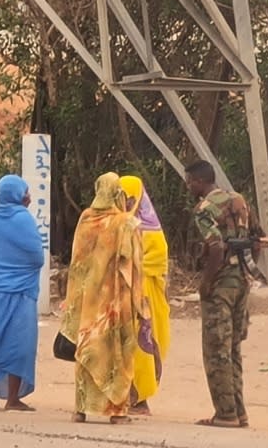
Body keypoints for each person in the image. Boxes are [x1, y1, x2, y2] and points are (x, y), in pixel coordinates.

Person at [59, 172, 146, 425]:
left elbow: (77, 262)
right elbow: (132, 264)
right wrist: (139, 301)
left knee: (87, 350)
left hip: (87, 301)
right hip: (115, 303)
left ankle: (80, 410)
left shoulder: (85, 219)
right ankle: (116, 411)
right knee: (117, 352)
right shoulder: (125, 224)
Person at [184, 159, 253, 428]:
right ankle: (239, 410)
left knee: (216, 349)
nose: (188, 186)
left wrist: (206, 283)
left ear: (200, 182)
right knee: (233, 346)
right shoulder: (238, 200)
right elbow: (256, 240)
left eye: (190, 182)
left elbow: (214, 248)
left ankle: (225, 413)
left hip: (222, 282)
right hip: (242, 280)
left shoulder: (204, 209)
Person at [0, 174, 44, 412]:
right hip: (20, 292)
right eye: (25, 192)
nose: (29, 196)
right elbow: (37, 257)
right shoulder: (23, 219)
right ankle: (13, 399)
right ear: (17, 194)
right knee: (19, 344)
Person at [119, 175, 170, 416]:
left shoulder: (151, 230)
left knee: (143, 347)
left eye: (130, 197)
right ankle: (126, 395)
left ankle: (140, 400)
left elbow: (157, 262)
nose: (126, 202)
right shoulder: (120, 223)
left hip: (146, 297)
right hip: (124, 295)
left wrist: (132, 269)